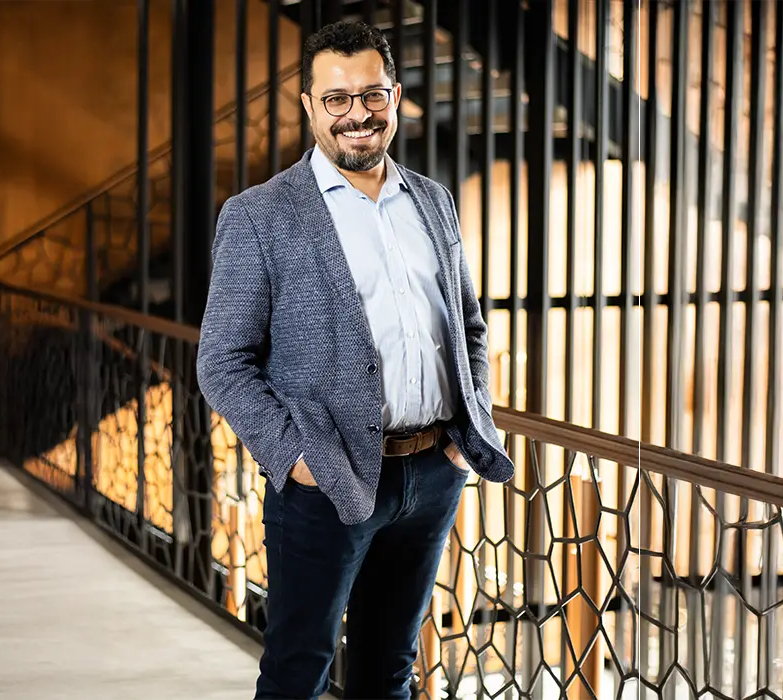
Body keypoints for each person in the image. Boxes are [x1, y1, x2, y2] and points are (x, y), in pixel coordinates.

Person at [196, 19, 514, 700]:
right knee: (297, 673)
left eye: (371, 94)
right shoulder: (259, 216)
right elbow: (222, 362)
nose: (357, 114)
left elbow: (469, 327)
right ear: (309, 106)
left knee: (388, 671)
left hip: (432, 474)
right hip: (325, 481)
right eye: (336, 99)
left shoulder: (433, 200)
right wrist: (297, 458)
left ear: (394, 96)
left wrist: (462, 437)